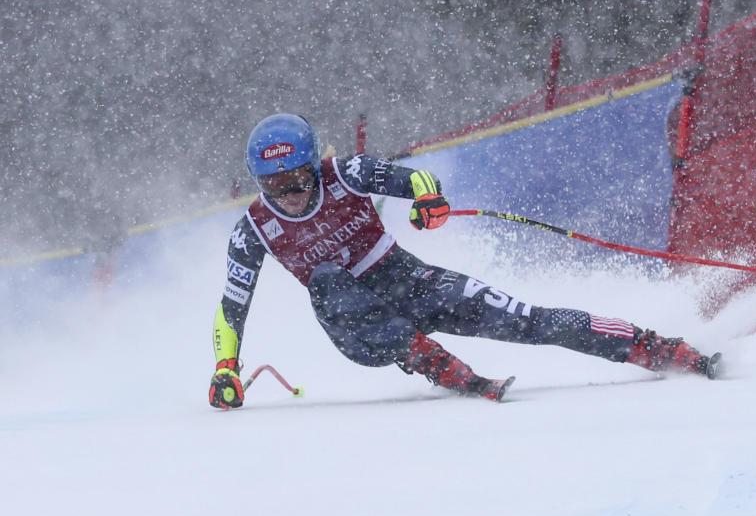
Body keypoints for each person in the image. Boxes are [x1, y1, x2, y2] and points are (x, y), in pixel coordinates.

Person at [209, 114, 721, 409]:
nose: (291, 193)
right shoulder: (254, 229)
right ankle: (434, 363)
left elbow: (412, 180)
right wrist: (225, 369)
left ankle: (656, 348)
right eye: (275, 184)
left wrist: (428, 202)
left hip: (406, 280)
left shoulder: (342, 172)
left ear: (312, 166)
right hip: (357, 330)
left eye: (298, 178)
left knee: (527, 320)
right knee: (326, 279)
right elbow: (232, 308)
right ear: (259, 181)